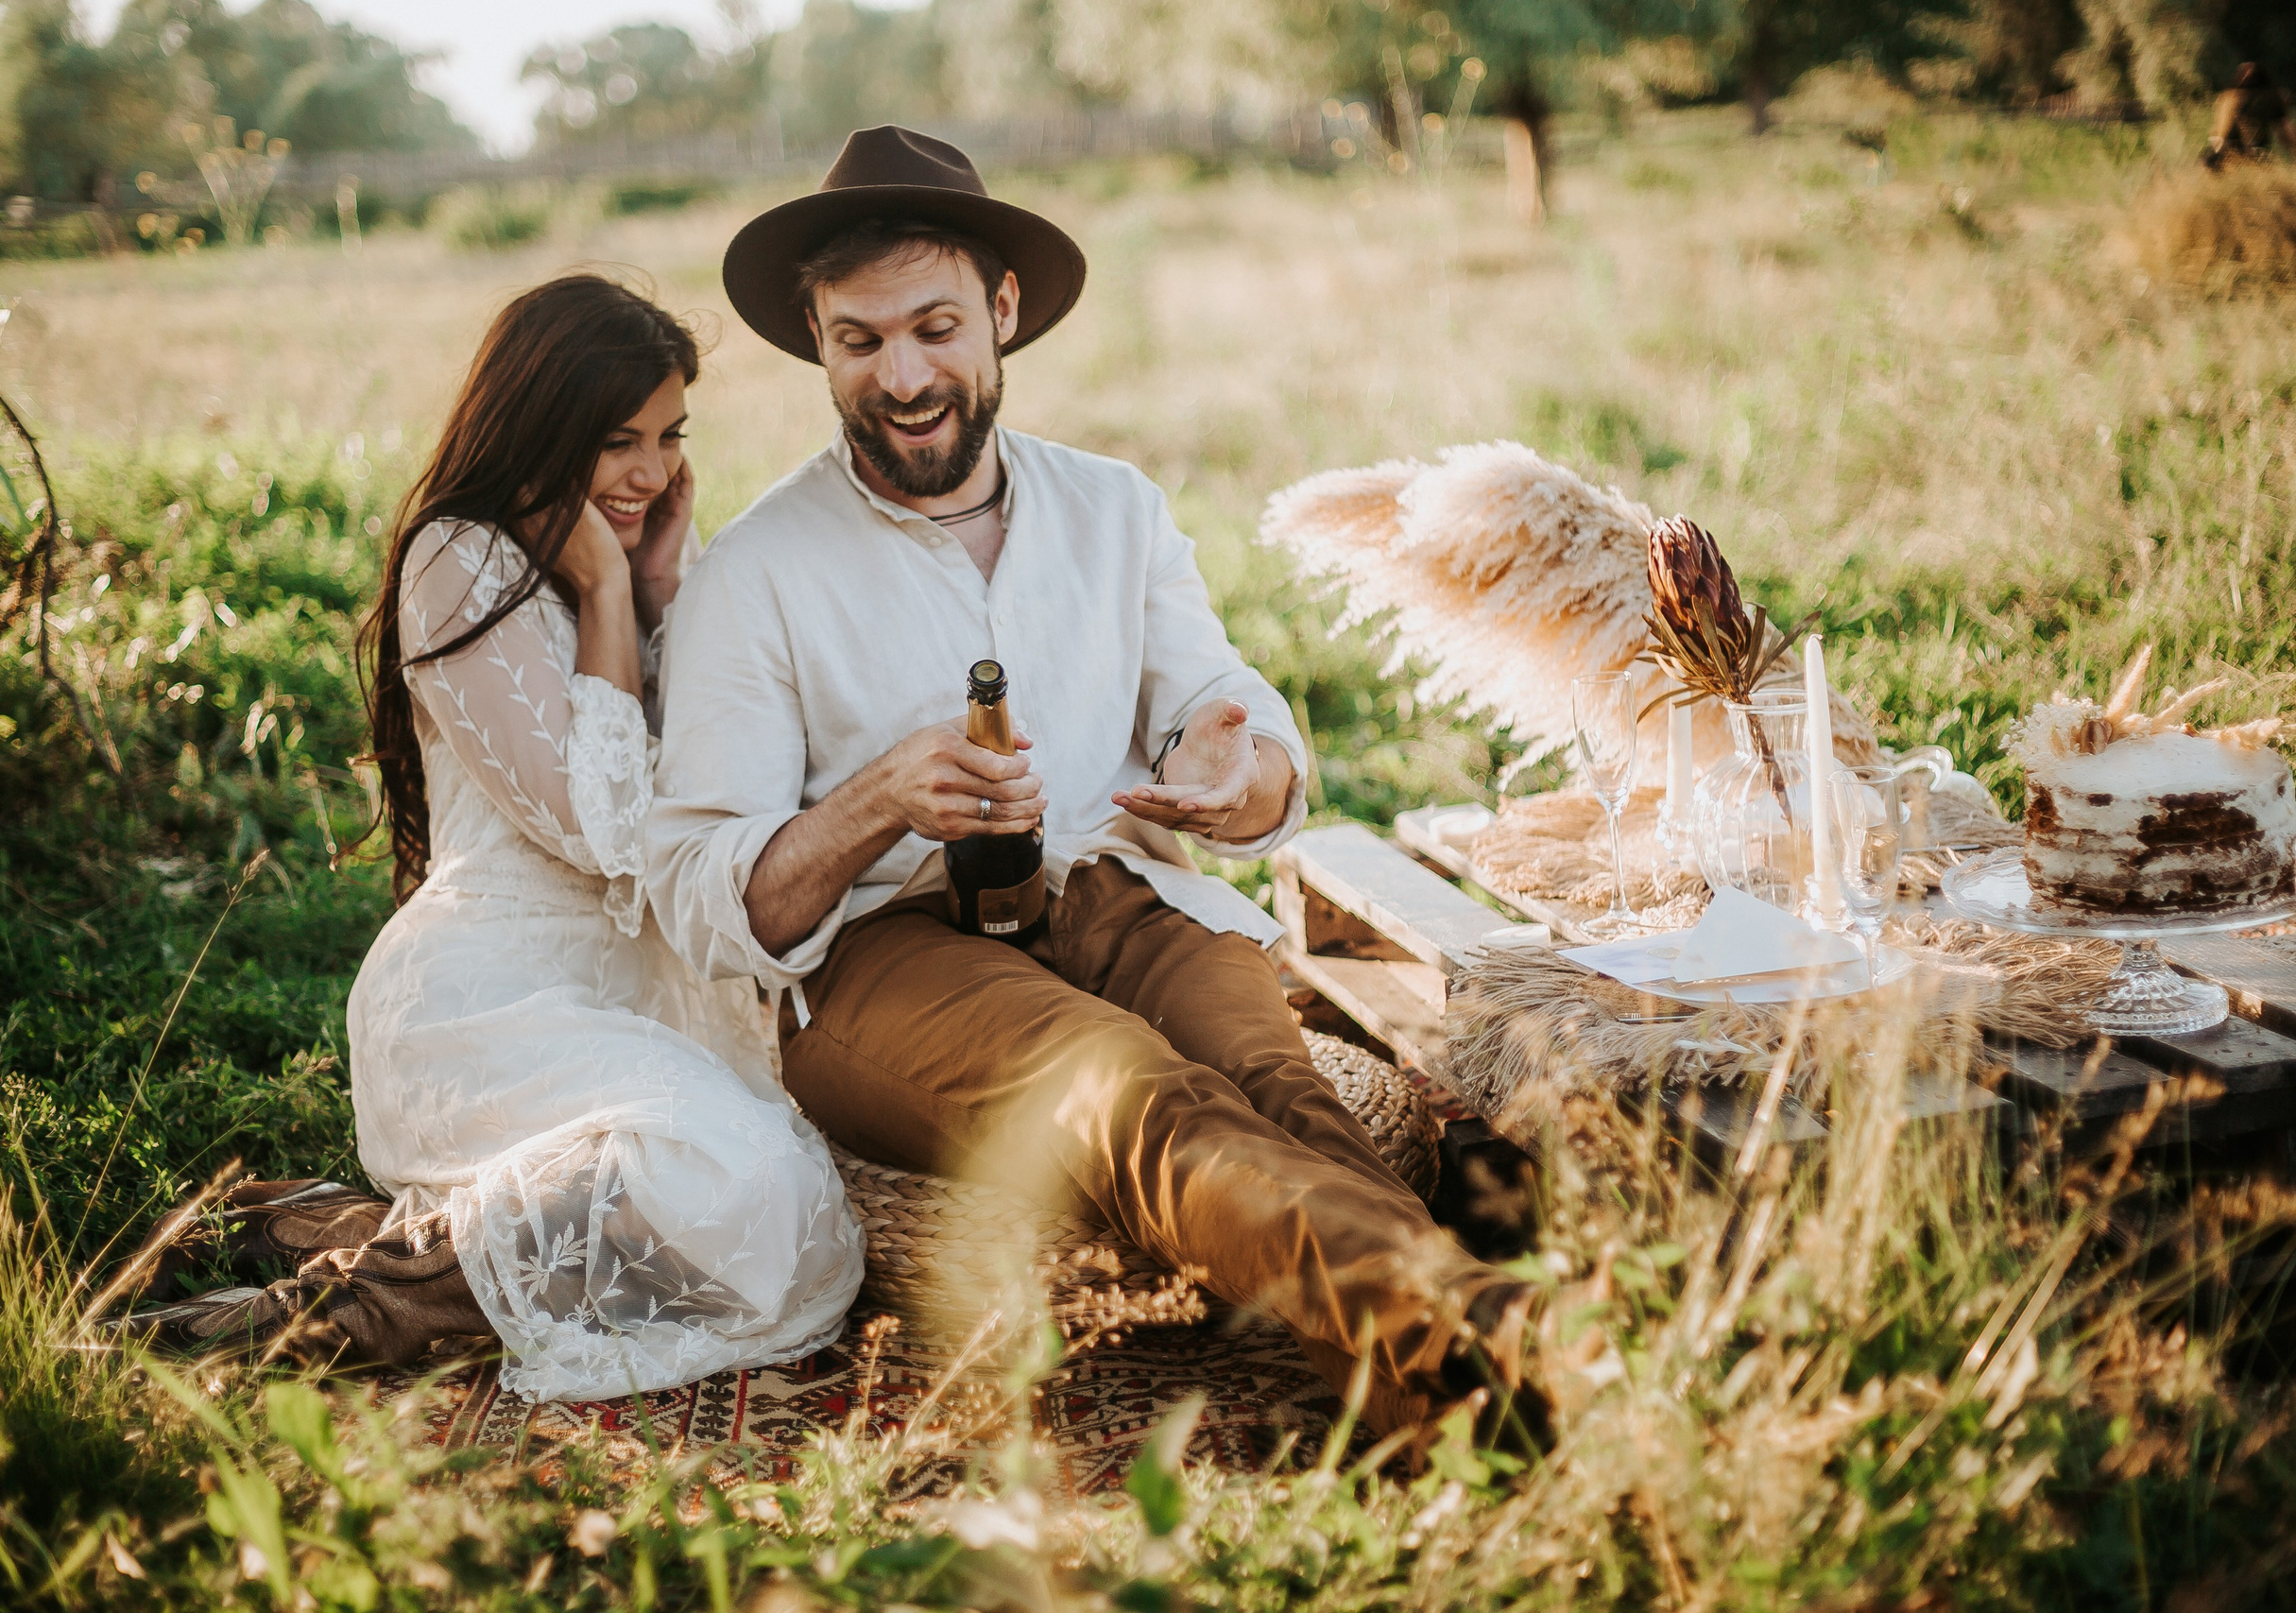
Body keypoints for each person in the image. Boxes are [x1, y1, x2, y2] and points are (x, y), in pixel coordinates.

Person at [648, 128, 1532, 1428]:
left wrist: (1243, 778)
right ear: (818, 343)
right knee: (1134, 1088)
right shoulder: (756, 570)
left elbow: (1227, 712)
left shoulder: (1118, 509)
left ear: (1003, 312)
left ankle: (1450, 1416)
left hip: (1124, 892)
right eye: (860, 340)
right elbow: (702, 895)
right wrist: (878, 798)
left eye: (936, 327)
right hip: (886, 955)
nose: (902, 375)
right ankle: (1522, 1332)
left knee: (1283, 1088)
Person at [119, 275, 865, 1400]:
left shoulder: (648, 552)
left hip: (638, 996)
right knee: (755, 1189)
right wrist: (610, 595)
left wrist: (668, 594)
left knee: (789, 1209)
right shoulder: (457, 562)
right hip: (488, 1001)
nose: (652, 475)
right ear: (537, 426)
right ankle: (312, 1312)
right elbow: (602, 830)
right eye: (617, 441)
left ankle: (333, 1235)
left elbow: (721, 776)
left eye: (669, 438)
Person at [2203, 63, 2295, 169]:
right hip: (2240, 155)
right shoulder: (2231, 97)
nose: (2246, 77)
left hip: (2229, 155)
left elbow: (2285, 131)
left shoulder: (2227, 97)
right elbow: (2286, 132)